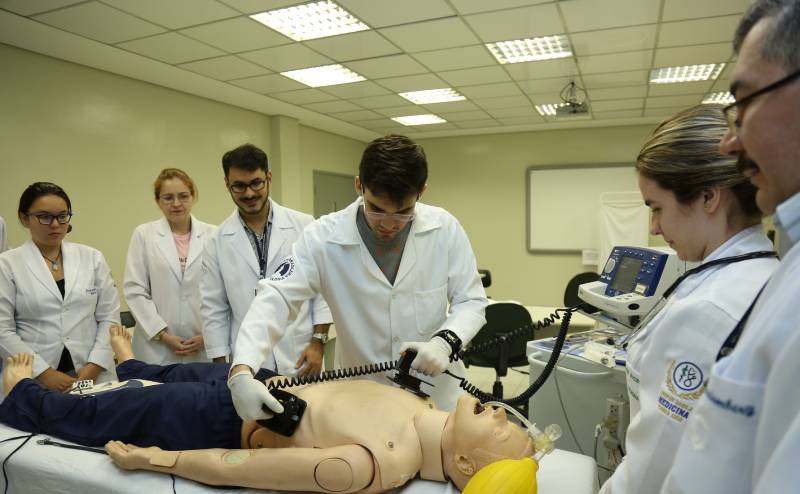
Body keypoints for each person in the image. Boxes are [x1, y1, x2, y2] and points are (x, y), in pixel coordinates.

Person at [0, 327, 534, 493]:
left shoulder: (373, 464)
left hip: (221, 420)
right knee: (176, 372)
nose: (504, 414)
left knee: (117, 409)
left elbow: (245, 468)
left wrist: (156, 460)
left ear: (464, 466)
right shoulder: (428, 404)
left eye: (502, 432)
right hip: (258, 386)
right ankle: (135, 361)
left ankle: (20, 395)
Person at [228, 134, 488, 419]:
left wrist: (445, 341)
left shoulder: (444, 229)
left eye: (403, 212)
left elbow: (471, 300)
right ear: (358, 186)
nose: (389, 224)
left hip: (438, 396)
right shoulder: (322, 238)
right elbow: (276, 297)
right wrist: (242, 369)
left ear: (422, 192)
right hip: (362, 400)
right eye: (376, 209)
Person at [598, 105, 779, 493]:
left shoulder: (707, 311)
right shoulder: (764, 272)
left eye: (657, 208)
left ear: (708, 197)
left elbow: (653, 471)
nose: (654, 227)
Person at [662, 1, 800, 492]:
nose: (730, 142)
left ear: (707, 198)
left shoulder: (723, 300)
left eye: (743, 104)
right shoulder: (787, 266)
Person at [201, 144, 331, 377]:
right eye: (239, 186)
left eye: (256, 183)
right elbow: (214, 308)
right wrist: (220, 367)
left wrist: (318, 341)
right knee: (255, 413)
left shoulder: (304, 225)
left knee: (308, 410)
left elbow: (322, 289)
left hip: (301, 351)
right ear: (227, 185)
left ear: (268, 177)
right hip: (247, 358)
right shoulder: (216, 241)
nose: (249, 193)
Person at [0, 182, 119, 396]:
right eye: (44, 217)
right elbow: (2, 330)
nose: (55, 224)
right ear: (24, 218)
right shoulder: (7, 264)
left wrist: (93, 368)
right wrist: (44, 373)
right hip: (32, 377)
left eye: (62, 216)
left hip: (92, 373)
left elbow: (109, 318)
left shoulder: (92, 258)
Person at [124, 168, 216, 364]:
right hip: (156, 349)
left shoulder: (214, 235)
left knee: (202, 393)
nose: (176, 204)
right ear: (158, 201)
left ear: (193, 197)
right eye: (168, 198)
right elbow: (135, 290)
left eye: (183, 196)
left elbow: (223, 293)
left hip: (203, 346)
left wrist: (208, 336)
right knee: (159, 393)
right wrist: (163, 335)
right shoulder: (144, 234)